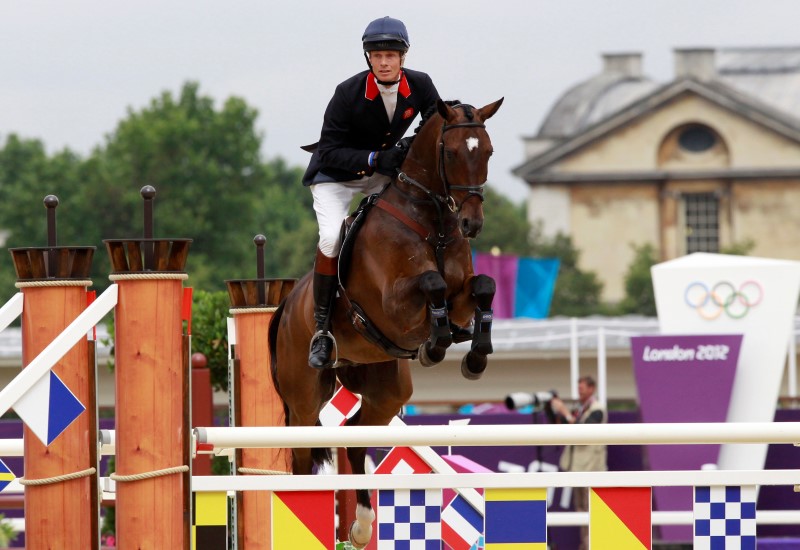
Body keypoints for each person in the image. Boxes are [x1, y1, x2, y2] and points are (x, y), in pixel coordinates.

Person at [301, 16, 441, 369]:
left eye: (390, 55)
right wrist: (376, 157)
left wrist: (408, 145)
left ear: (403, 58)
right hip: (335, 178)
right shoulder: (347, 93)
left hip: (380, 174)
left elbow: (436, 123)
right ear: (368, 58)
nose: (383, 62)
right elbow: (328, 151)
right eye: (377, 55)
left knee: (415, 218)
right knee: (332, 238)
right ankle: (322, 329)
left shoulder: (421, 85)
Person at [550, 375, 607, 550]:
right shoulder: (582, 408)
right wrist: (556, 411)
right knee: (581, 511)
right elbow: (566, 429)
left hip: (591, 469)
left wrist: (565, 412)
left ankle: (593, 545)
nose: (579, 391)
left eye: (581, 388)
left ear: (591, 388)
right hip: (578, 469)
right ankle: (585, 545)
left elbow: (583, 433)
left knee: (592, 511)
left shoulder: (598, 409)